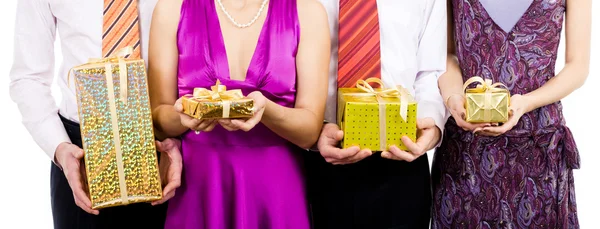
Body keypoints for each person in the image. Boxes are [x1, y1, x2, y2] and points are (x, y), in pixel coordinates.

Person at [148, 0, 330, 228]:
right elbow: (158, 120)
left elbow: (310, 131)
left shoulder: (307, 11)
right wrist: (185, 115)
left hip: (274, 187)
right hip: (198, 181)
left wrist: (266, 110)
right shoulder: (171, 8)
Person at [9, 0, 182, 228]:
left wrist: (180, 135)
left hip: (165, 150)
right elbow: (28, 78)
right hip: (79, 156)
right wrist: (60, 149)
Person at [432, 0, 591, 228]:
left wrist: (526, 102)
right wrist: (453, 97)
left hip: (537, 150)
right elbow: (446, 55)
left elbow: (578, 67)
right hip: (467, 152)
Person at [305, 0, 448, 228]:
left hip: (402, 156)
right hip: (319, 155)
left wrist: (431, 125)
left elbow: (430, 71)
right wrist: (312, 129)